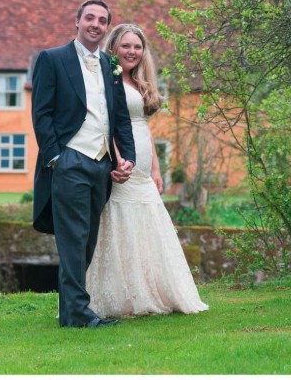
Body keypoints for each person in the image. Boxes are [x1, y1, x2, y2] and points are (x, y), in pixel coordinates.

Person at [86, 24, 209, 317]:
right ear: (113, 48)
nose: (132, 52)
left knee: (149, 223)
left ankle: (154, 290)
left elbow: (145, 128)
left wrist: (156, 168)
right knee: (121, 223)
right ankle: (120, 296)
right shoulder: (108, 81)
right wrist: (117, 160)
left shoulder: (140, 83)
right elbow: (107, 124)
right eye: (126, 46)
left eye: (137, 47)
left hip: (142, 164)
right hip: (121, 165)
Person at [31, 0, 136, 328]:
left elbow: (119, 117)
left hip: (101, 164)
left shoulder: (110, 65)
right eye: (89, 17)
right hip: (70, 161)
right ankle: (78, 313)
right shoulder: (53, 59)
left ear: (106, 27)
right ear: (76, 22)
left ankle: (70, 312)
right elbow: (42, 113)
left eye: (102, 20)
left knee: (87, 238)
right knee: (74, 239)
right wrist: (56, 158)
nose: (95, 24)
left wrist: (127, 157)